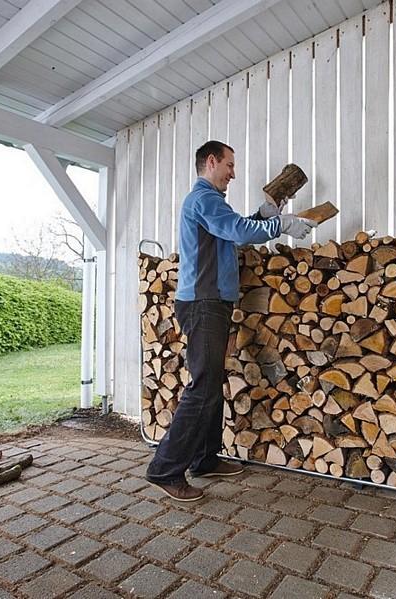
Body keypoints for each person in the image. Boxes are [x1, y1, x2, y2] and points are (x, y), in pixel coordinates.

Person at [146, 140, 316, 502]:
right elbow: (238, 232)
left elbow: (235, 229)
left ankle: (204, 460)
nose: (233, 174)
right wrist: (281, 223)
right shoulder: (202, 199)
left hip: (214, 303)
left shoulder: (213, 204)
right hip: (203, 303)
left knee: (211, 383)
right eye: (230, 165)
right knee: (203, 385)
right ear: (211, 162)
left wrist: (266, 213)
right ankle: (164, 469)